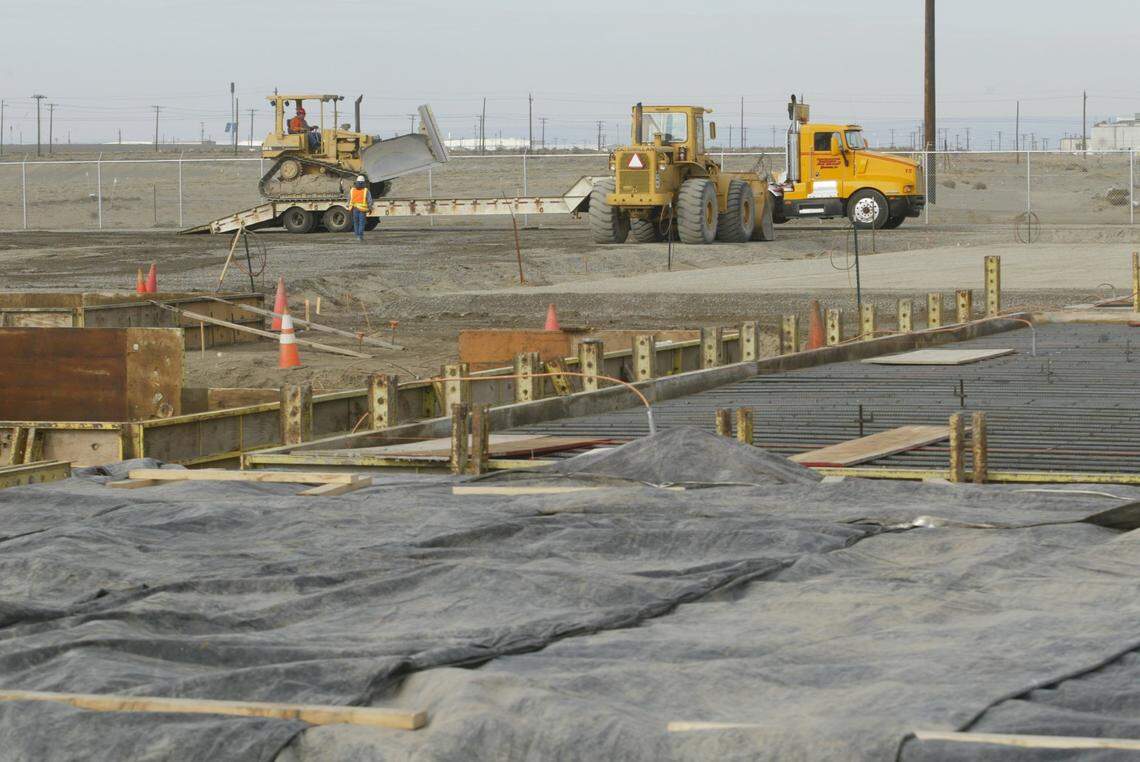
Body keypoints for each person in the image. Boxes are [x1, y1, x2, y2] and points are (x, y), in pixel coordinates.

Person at [347, 176, 373, 242]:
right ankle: (360, 236)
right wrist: (370, 208)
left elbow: (349, 199)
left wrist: (348, 206)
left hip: (354, 209)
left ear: (356, 182)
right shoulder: (366, 191)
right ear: (364, 183)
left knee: (356, 223)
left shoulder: (352, 190)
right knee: (362, 223)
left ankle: (357, 235)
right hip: (362, 210)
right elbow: (370, 200)